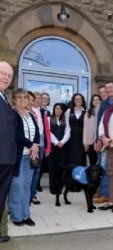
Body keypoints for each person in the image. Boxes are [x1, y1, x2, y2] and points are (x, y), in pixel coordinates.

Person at [8, 88, 39, 227]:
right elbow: (16, 134)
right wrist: (31, 145)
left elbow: (37, 132)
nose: (22, 99)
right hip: (18, 156)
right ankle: (16, 216)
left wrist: (36, 146)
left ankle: (26, 215)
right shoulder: (12, 114)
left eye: (25, 97)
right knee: (17, 186)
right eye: (19, 97)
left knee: (27, 186)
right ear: (14, 99)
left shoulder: (31, 115)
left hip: (30, 156)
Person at [0, 61, 16, 243]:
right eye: (2, 73)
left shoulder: (4, 97)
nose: (5, 77)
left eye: (9, 75)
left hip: (6, 158)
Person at [94, 81, 113, 204]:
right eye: (106, 88)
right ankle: (106, 194)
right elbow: (99, 123)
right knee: (103, 167)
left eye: (110, 87)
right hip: (104, 140)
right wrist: (98, 139)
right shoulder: (103, 104)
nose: (108, 89)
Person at [47, 103, 70, 206]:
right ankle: (53, 189)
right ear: (54, 110)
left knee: (61, 168)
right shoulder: (48, 119)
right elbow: (48, 132)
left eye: (60, 109)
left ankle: (59, 189)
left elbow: (68, 132)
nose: (59, 111)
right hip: (53, 146)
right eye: (57, 109)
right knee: (53, 167)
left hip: (62, 147)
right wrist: (56, 142)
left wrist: (62, 142)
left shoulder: (65, 120)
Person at [30, 92, 51, 205]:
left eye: (39, 98)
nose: (38, 100)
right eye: (36, 98)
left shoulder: (43, 112)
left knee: (37, 170)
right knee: (30, 169)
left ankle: (33, 195)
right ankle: (28, 195)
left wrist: (48, 147)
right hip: (32, 144)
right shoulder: (30, 111)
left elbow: (47, 131)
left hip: (42, 143)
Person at [65, 93, 86, 191]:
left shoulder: (86, 112)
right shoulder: (69, 111)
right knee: (71, 163)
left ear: (82, 100)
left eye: (80, 99)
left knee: (80, 162)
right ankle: (71, 185)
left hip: (81, 140)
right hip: (71, 140)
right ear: (73, 100)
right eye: (76, 99)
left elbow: (87, 128)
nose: (78, 100)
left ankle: (79, 184)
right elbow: (66, 126)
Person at [37, 92, 51, 191]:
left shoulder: (49, 112)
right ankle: (36, 184)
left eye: (47, 98)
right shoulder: (37, 111)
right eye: (43, 98)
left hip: (46, 141)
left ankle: (37, 183)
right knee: (36, 164)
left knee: (41, 165)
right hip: (37, 141)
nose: (45, 100)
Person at [83, 94, 101, 165]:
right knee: (93, 163)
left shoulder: (104, 111)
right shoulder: (88, 113)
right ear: (91, 102)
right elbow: (85, 128)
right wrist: (85, 142)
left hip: (101, 141)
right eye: (94, 100)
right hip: (91, 141)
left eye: (97, 99)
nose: (96, 101)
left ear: (100, 101)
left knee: (101, 162)